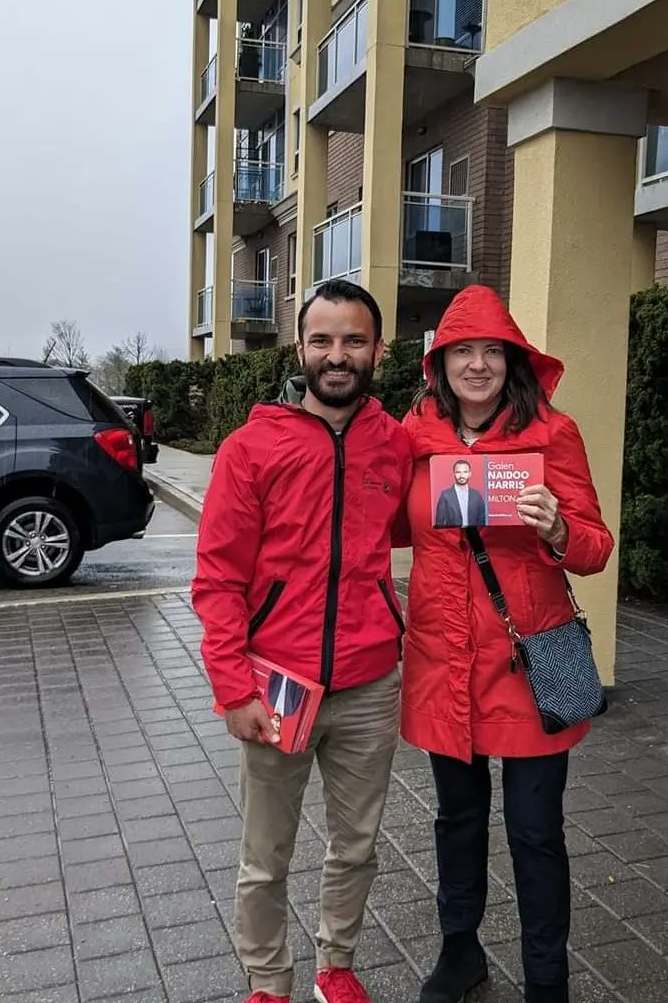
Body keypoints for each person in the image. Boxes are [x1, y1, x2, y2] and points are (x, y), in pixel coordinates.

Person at [192, 279, 412, 1003]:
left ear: (378, 350)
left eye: (354, 340)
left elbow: (421, 525)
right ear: (300, 348)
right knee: (266, 856)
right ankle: (267, 980)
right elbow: (219, 578)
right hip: (276, 687)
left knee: (356, 845)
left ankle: (335, 965)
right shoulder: (251, 448)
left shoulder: (395, 444)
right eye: (323, 339)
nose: (338, 355)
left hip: (371, 684)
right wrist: (232, 687)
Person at [399, 285, 613, 1003]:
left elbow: (594, 548)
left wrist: (556, 526)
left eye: (493, 351)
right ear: (441, 363)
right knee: (456, 818)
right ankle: (460, 955)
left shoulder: (554, 434)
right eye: (464, 351)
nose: (479, 365)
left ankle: (547, 982)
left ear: (514, 361)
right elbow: (388, 522)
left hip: (526, 661)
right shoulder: (415, 433)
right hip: (441, 656)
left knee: (534, 831)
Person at [434, 459, 488, 528]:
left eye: (465, 472)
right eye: (458, 472)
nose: (461, 475)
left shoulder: (476, 495)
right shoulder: (445, 495)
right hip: (453, 537)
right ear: (454, 473)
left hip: (473, 536)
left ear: (470, 474)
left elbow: (482, 520)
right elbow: (439, 523)